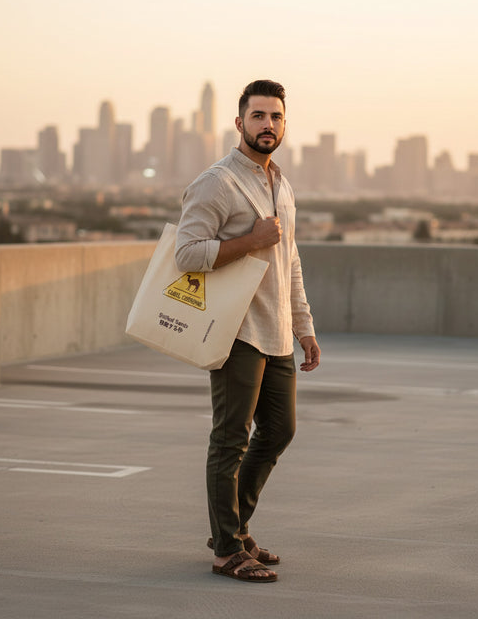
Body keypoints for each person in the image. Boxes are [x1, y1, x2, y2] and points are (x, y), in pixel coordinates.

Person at [175, 79, 321, 583]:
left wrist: (304, 327)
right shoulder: (217, 182)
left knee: (280, 429)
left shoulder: (282, 185)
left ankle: (230, 531)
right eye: (258, 116)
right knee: (231, 438)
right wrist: (250, 240)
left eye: (276, 117)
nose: (268, 125)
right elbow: (187, 253)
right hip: (234, 330)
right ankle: (227, 550)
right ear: (239, 123)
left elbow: (290, 260)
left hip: (277, 328)